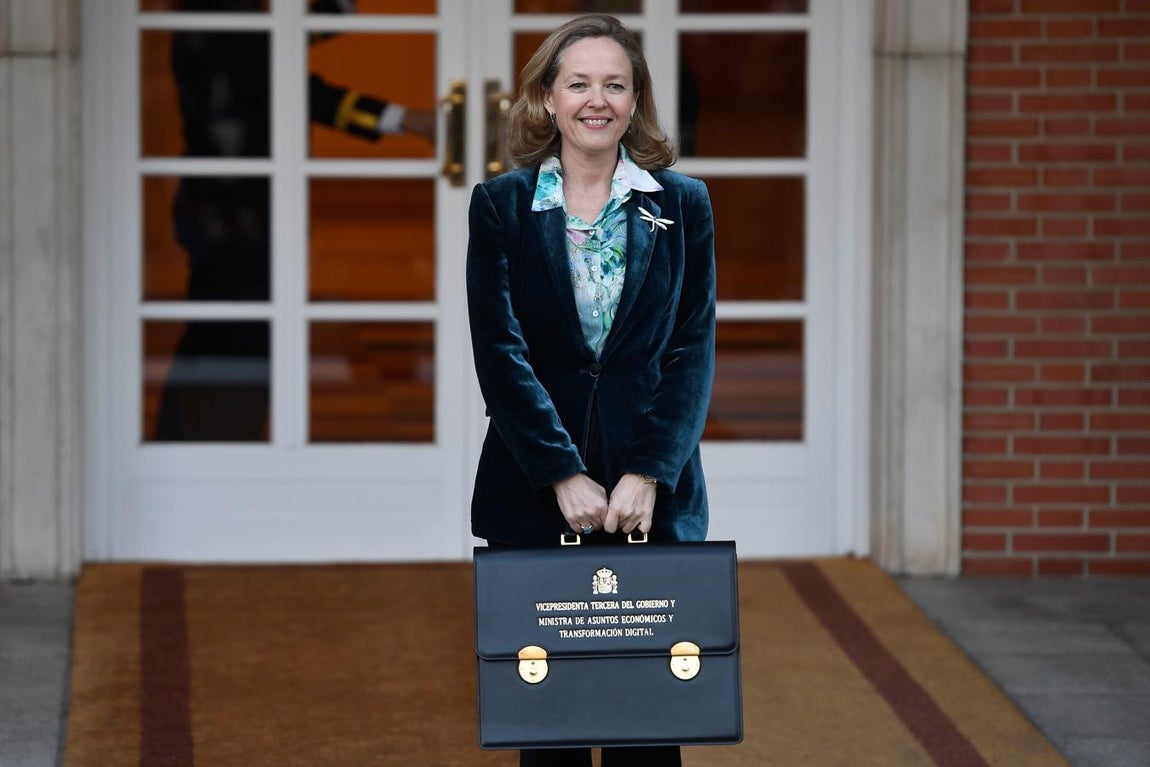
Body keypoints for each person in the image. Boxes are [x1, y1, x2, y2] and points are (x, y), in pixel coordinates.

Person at [465, 14, 716, 767]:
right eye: (578, 83)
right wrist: (560, 472)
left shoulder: (684, 205)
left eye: (615, 84)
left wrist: (649, 471)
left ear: (636, 102)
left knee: (649, 728)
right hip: (534, 492)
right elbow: (499, 354)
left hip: (653, 496)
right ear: (547, 98)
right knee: (551, 733)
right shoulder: (501, 207)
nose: (595, 100)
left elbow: (691, 348)